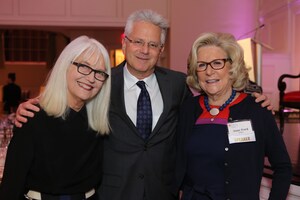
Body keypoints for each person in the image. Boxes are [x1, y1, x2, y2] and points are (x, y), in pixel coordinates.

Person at [14, 10, 273, 200]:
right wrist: (37, 103)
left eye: (153, 44)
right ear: (125, 42)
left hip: (163, 193)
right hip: (112, 194)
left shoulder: (178, 84)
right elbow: (71, 97)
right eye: (138, 41)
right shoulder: (102, 82)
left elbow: (214, 87)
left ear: (161, 49)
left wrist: (251, 95)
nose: (144, 50)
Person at [175, 32, 292, 200]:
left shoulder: (257, 111)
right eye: (201, 65)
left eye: (217, 63)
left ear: (232, 67)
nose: (209, 72)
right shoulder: (188, 108)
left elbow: (283, 167)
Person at [0, 35, 111, 200]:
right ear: (65, 66)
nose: (91, 78)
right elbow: (12, 184)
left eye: (99, 72)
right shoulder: (33, 116)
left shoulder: (98, 120)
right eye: (84, 66)